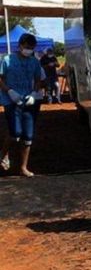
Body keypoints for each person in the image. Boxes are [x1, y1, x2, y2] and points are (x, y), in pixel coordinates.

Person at [0, 33, 44, 177]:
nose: (28, 50)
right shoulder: (7, 60)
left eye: (31, 48)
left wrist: (33, 93)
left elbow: (38, 79)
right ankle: (3, 154)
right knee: (16, 132)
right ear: (19, 46)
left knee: (28, 135)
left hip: (28, 100)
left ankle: (23, 167)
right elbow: (1, 78)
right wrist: (9, 91)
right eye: (26, 47)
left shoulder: (34, 62)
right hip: (11, 100)